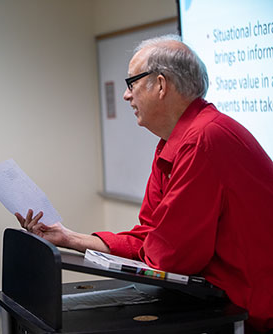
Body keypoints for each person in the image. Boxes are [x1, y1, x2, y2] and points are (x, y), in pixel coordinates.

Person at [16, 35, 273, 332]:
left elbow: (171, 257)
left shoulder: (204, 140)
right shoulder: (172, 142)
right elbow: (150, 237)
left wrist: (151, 248)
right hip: (223, 302)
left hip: (252, 313)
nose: (126, 96)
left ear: (161, 85)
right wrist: (69, 238)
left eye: (132, 83)